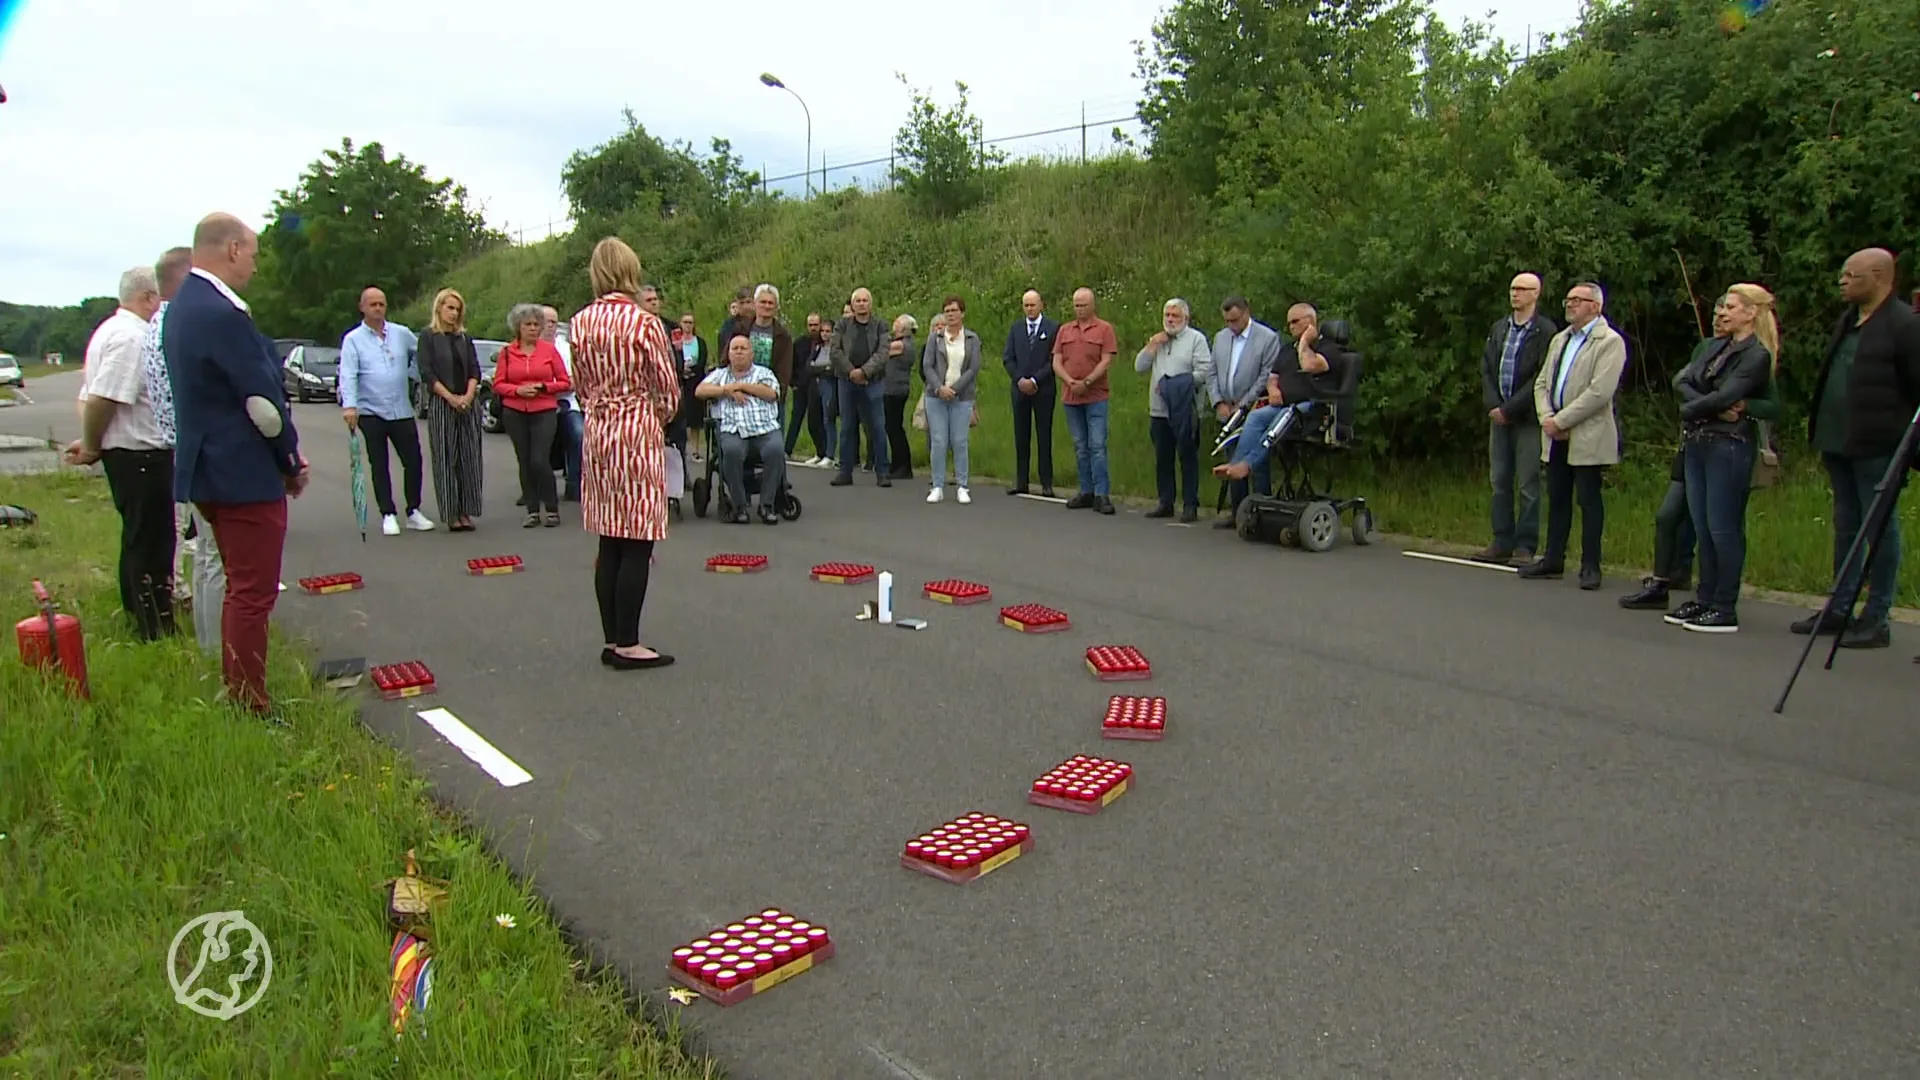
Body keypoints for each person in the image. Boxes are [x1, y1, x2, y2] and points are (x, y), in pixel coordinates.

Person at [164, 212, 309, 720]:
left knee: (234, 584)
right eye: (251, 253)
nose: (253, 264)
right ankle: (250, 703)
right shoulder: (223, 313)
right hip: (241, 472)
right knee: (252, 592)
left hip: (207, 467)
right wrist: (289, 461)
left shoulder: (183, 306)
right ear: (230, 249)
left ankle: (238, 686)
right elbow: (262, 403)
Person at [1792, 247, 1920, 649]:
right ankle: (1840, 606)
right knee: (1846, 524)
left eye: (1852, 275)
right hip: (1838, 440)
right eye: (1843, 275)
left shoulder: (1903, 325)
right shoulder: (1849, 321)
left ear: (1879, 277)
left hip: (1878, 445)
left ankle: (1877, 616)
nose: (1842, 282)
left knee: (1878, 529)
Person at [568, 238, 678, 670]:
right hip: (635, 428)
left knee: (610, 536)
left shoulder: (579, 323)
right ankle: (630, 642)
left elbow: (579, 384)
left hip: (597, 429)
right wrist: (653, 417)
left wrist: (599, 407)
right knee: (638, 538)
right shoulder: (643, 323)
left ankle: (613, 638)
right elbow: (667, 389)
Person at [1662, 284, 1780, 633]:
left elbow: (1730, 394)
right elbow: (1682, 379)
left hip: (1729, 445)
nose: (1723, 313)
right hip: (1699, 441)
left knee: (1722, 526)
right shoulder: (1714, 346)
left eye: (1730, 307)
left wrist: (1697, 406)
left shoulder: (1756, 354)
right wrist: (1702, 406)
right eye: (1722, 307)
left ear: (1750, 313)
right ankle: (1705, 596)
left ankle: (1724, 605)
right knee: (1701, 525)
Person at [66, 265, 172, 640]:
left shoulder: (109, 331)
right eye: (160, 298)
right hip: (140, 454)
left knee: (138, 537)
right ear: (147, 297)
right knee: (151, 543)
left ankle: (141, 613)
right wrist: (93, 444)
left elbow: (89, 397)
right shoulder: (131, 338)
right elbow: (101, 399)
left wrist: (93, 437)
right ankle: (153, 626)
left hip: (130, 450)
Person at [142, 247, 227, 655]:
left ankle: (213, 644)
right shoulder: (179, 323)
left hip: (182, 450)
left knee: (208, 556)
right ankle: (218, 650)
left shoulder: (159, 324)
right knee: (216, 559)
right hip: (202, 452)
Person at [1517, 281, 1627, 591]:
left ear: (1595, 306)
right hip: (1555, 433)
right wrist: (1547, 418)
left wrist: (1564, 420)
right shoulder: (1560, 339)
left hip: (1587, 433)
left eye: (1577, 300)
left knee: (1589, 499)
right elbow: (1542, 383)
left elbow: (1599, 392)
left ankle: (1591, 565)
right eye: (1568, 299)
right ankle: (1553, 558)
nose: (1570, 304)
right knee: (1558, 497)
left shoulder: (1609, 342)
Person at [1212, 303, 1351, 495]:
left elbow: (1310, 365)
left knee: (1284, 417)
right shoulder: (1286, 350)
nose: (1290, 327)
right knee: (1256, 417)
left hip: (1312, 408)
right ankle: (1237, 463)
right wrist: (1273, 390)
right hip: (1284, 404)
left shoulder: (1330, 348)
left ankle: (1247, 465)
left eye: (1295, 321)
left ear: (1310, 322)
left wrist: (1304, 342)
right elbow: (1272, 376)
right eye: (1288, 323)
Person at [1476, 272, 1558, 564]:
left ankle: (1525, 545)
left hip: (1527, 418)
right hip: (1498, 416)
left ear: (1536, 294)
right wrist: (1494, 404)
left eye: (1523, 289)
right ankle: (1501, 541)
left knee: (1528, 482)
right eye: (1513, 288)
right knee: (1499, 479)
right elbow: (1486, 366)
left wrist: (1511, 408)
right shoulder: (1500, 328)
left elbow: (1541, 375)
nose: (1516, 294)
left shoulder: (1545, 331)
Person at [339, 286, 432, 536]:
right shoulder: (353, 339)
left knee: (413, 460)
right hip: (371, 411)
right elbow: (348, 374)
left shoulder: (401, 334)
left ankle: (413, 510)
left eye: (381, 304)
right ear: (362, 307)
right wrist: (350, 405)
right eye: (372, 304)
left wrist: (417, 375)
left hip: (401, 409)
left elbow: (423, 352)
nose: (378, 308)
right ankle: (388, 513)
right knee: (379, 463)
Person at [1135, 298, 1213, 522]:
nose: (1170, 320)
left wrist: (1176, 383)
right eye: (1167, 315)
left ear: (1185, 319)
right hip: (1159, 410)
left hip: (1185, 410)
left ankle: (1190, 505)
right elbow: (1139, 367)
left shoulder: (1196, 340)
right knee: (1163, 458)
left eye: (1175, 316)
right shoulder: (1158, 340)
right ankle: (1165, 502)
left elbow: (1204, 372)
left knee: (1187, 457)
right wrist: (1152, 346)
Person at [494, 303, 572, 528]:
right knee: (525, 461)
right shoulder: (507, 353)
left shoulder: (548, 351)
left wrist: (543, 387)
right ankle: (532, 510)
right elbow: (498, 384)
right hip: (515, 411)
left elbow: (564, 381)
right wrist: (516, 390)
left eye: (536, 324)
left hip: (544, 409)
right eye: (527, 324)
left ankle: (551, 507)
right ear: (517, 327)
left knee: (540, 459)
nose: (533, 328)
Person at [696, 335, 787, 524]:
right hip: (733, 430)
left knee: (776, 449)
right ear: (728, 354)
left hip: (764, 429)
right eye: (734, 348)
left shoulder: (764, 373)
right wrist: (725, 390)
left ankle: (767, 505)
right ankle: (740, 506)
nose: (738, 352)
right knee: (731, 451)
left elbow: (771, 394)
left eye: (743, 348)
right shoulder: (720, 375)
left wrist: (742, 386)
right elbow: (700, 391)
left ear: (751, 353)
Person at [1207, 296, 1282, 525]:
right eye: (1228, 321)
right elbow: (1212, 372)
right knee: (1233, 460)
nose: (1232, 325)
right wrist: (1218, 401)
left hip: (1253, 408)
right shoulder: (1221, 338)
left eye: (1236, 320)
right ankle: (1237, 512)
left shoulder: (1267, 338)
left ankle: (1262, 513)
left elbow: (1266, 375)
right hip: (1226, 409)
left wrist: (1244, 404)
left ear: (1247, 313)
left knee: (1256, 462)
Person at [418, 288, 484, 531]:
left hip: (468, 403)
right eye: (450, 308)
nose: (454, 313)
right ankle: (451, 513)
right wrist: (450, 398)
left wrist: (467, 395)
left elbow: (474, 371)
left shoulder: (464, 338)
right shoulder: (428, 336)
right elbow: (427, 372)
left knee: (470, 458)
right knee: (446, 458)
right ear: (439, 308)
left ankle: (467, 511)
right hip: (442, 403)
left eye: (457, 309)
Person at [1052, 286, 1119, 514]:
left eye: (1083, 305)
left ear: (1093, 305)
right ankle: (1086, 490)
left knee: (1097, 445)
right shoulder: (1064, 330)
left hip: (1096, 395)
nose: (1079, 310)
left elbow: (1106, 360)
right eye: (1076, 305)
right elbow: (1056, 361)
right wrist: (1070, 381)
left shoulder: (1104, 329)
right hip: (1071, 396)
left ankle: (1102, 494)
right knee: (1080, 445)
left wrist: (1088, 382)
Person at [921, 296, 982, 504]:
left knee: (959, 441)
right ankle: (937, 485)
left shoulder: (972, 339)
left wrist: (954, 389)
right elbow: (927, 366)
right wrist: (939, 388)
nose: (950, 314)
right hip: (936, 396)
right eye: (947, 311)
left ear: (962, 313)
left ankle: (962, 485)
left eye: (954, 310)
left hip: (962, 397)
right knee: (938, 441)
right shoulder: (934, 338)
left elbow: (973, 368)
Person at [830, 286, 891, 486]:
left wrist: (864, 371)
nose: (862, 304)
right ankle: (845, 472)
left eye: (865, 300)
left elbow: (883, 353)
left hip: (873, 381)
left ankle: (882, 472)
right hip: (846, 381)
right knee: (847, 427)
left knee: (877, 427)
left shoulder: (881, 325)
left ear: (870, 304)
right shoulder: (842, 325)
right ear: (852, 305)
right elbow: (835, 351)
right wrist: (851, 372)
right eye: (858, 301)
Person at [1003, 289, 1059, 497]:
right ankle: (1021, 481)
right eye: (1026, 305)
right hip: (1020, 390)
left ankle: (1046, 483)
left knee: (1044, 435)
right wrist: (1020, 380)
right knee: (1021, 435)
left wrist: (1035, 380)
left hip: (1043, 389)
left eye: (1033, 305)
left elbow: (1054, 359)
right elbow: (1008, 358)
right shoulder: (1016, 329)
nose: (1029, 309)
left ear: (1041, 305)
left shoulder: (1053, 328)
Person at [541, 305, 584, 502]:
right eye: (547, 321)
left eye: (554, 322)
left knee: (579, 435)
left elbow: (576, 375)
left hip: (567, 401)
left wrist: (568, 383)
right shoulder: (530, 347)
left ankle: (574, 485)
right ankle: (537, 489)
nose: (551, 325)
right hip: (540, 404)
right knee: (538, 444)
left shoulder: (566, 348)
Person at [787, 311, 832, 463]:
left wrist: (815, 368)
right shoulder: (800, 343)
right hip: (800, 386)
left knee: (819, 420)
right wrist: (792, 383)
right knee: (796, 418)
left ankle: (824, 452)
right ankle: (787, 449)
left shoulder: (824, 345)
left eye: (816, 325)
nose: (813, 328)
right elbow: (794, 364)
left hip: (817, 387)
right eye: (810, 325)